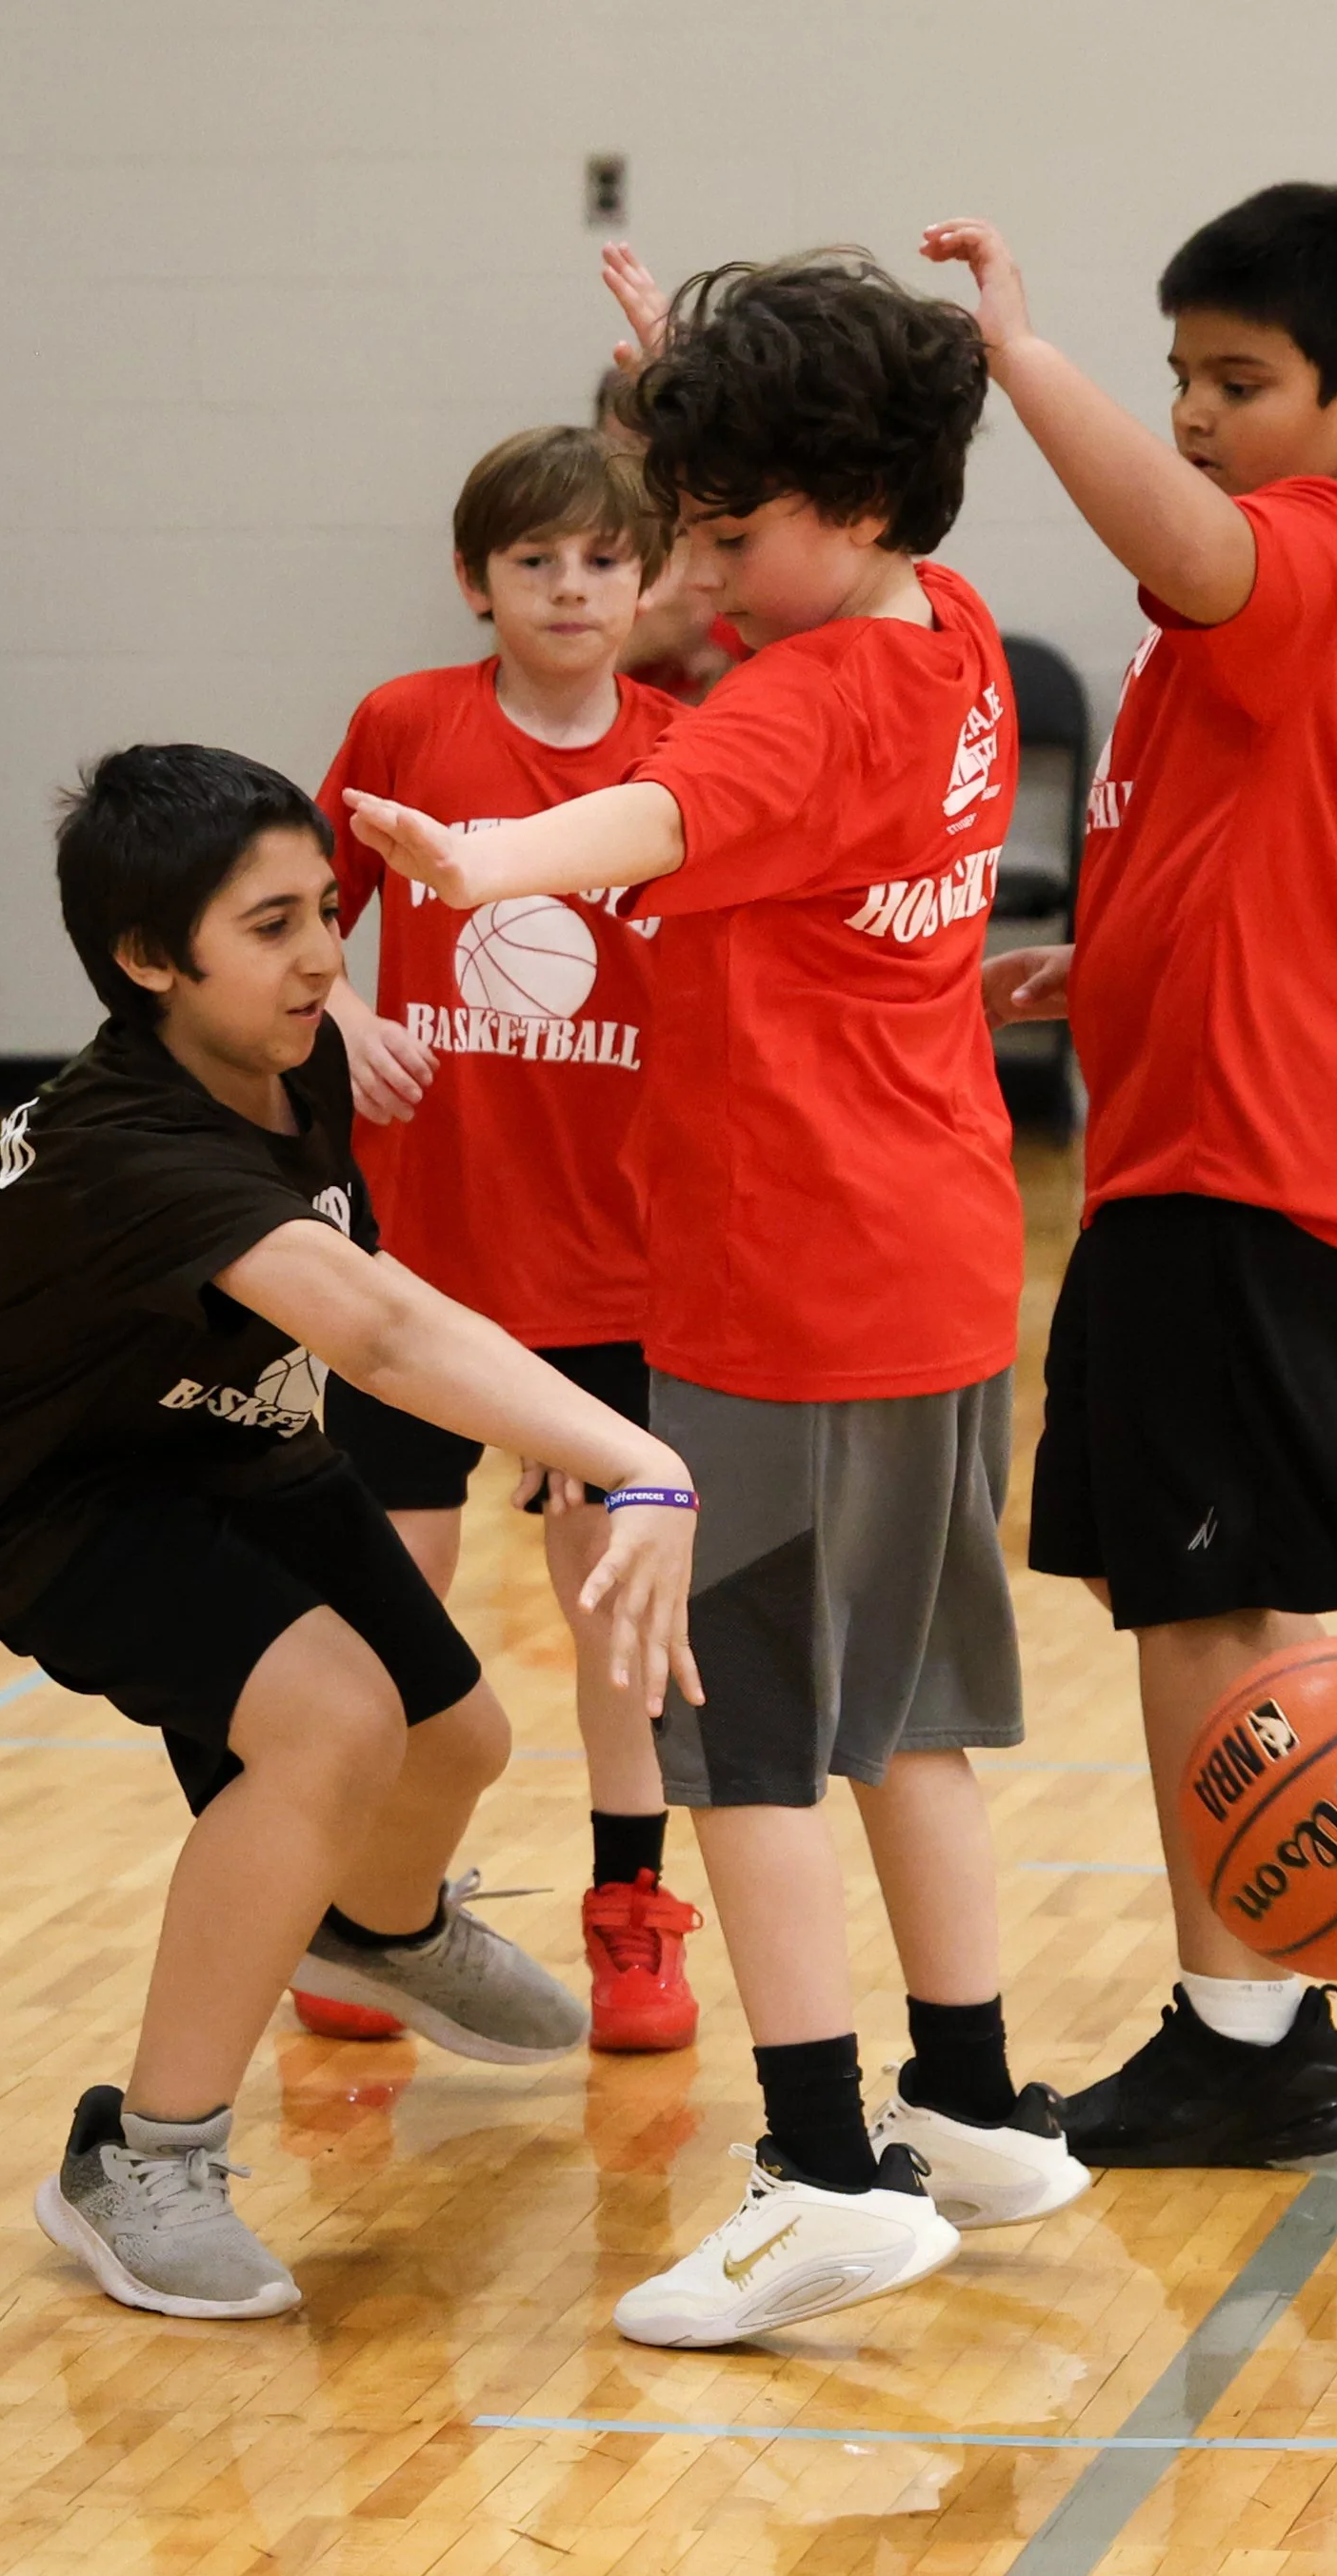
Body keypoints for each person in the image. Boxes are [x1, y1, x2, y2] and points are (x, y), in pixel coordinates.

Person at [346, 247, 1088, 2353]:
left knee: (742, 1738)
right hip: (940, 1261)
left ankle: (825, 2170)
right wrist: (689, 377)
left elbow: (663, 804)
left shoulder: (795, 698)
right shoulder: (953, 630)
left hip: (780, 1287)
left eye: (723, 528)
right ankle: (972, 2100)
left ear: (846, 502)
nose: (691, 568)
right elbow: (777, 610)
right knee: (909, 1710)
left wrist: (480, 864)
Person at [924, 185, 1337, 2168]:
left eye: (1241, 380)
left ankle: (1253, 2033)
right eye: (1178, 376)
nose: (1195, 415)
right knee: (1171, 1574)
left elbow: (1184, 537)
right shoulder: (1304, 590)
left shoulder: (1324, 544)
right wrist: (1096, 959)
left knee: (1207, 1599)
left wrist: (1017, 357)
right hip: (1220, 1131)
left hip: (1249, 1146)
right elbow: (1266, 851)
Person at [0, 743, 703, 2322]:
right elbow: (381, 1332)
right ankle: (140, 2158)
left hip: (243, 1439)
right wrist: (628, 1451)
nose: (326, 953)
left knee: (457, 1740)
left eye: (328, 909)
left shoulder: (294, 1049)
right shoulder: (126, 1144)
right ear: (149, 957)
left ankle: (374, 1925)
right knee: (333, 1729)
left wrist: (545, 1415)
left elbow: (378, 1284)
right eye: (271, 925)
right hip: (60, 1497)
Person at [315, 426, 706, 2059]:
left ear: (649, 581)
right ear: (474, 580)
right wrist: (342, 1018)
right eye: (532, 559)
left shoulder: (686, 753)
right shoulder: (408, 724)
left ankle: (630, 1909)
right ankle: (369, 1912)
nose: (568, 585)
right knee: (389, 1624)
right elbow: (292, 914)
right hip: (415, 1272)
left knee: (616, 1626)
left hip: (614, 1275)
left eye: (601, 558)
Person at [592, 367, 743, 704]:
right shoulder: (574, 549)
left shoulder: (741, 539)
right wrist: (639, 644)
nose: (643, 468)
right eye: (623, 448)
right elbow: (524, 688)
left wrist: (726, 670)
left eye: (654, 447)